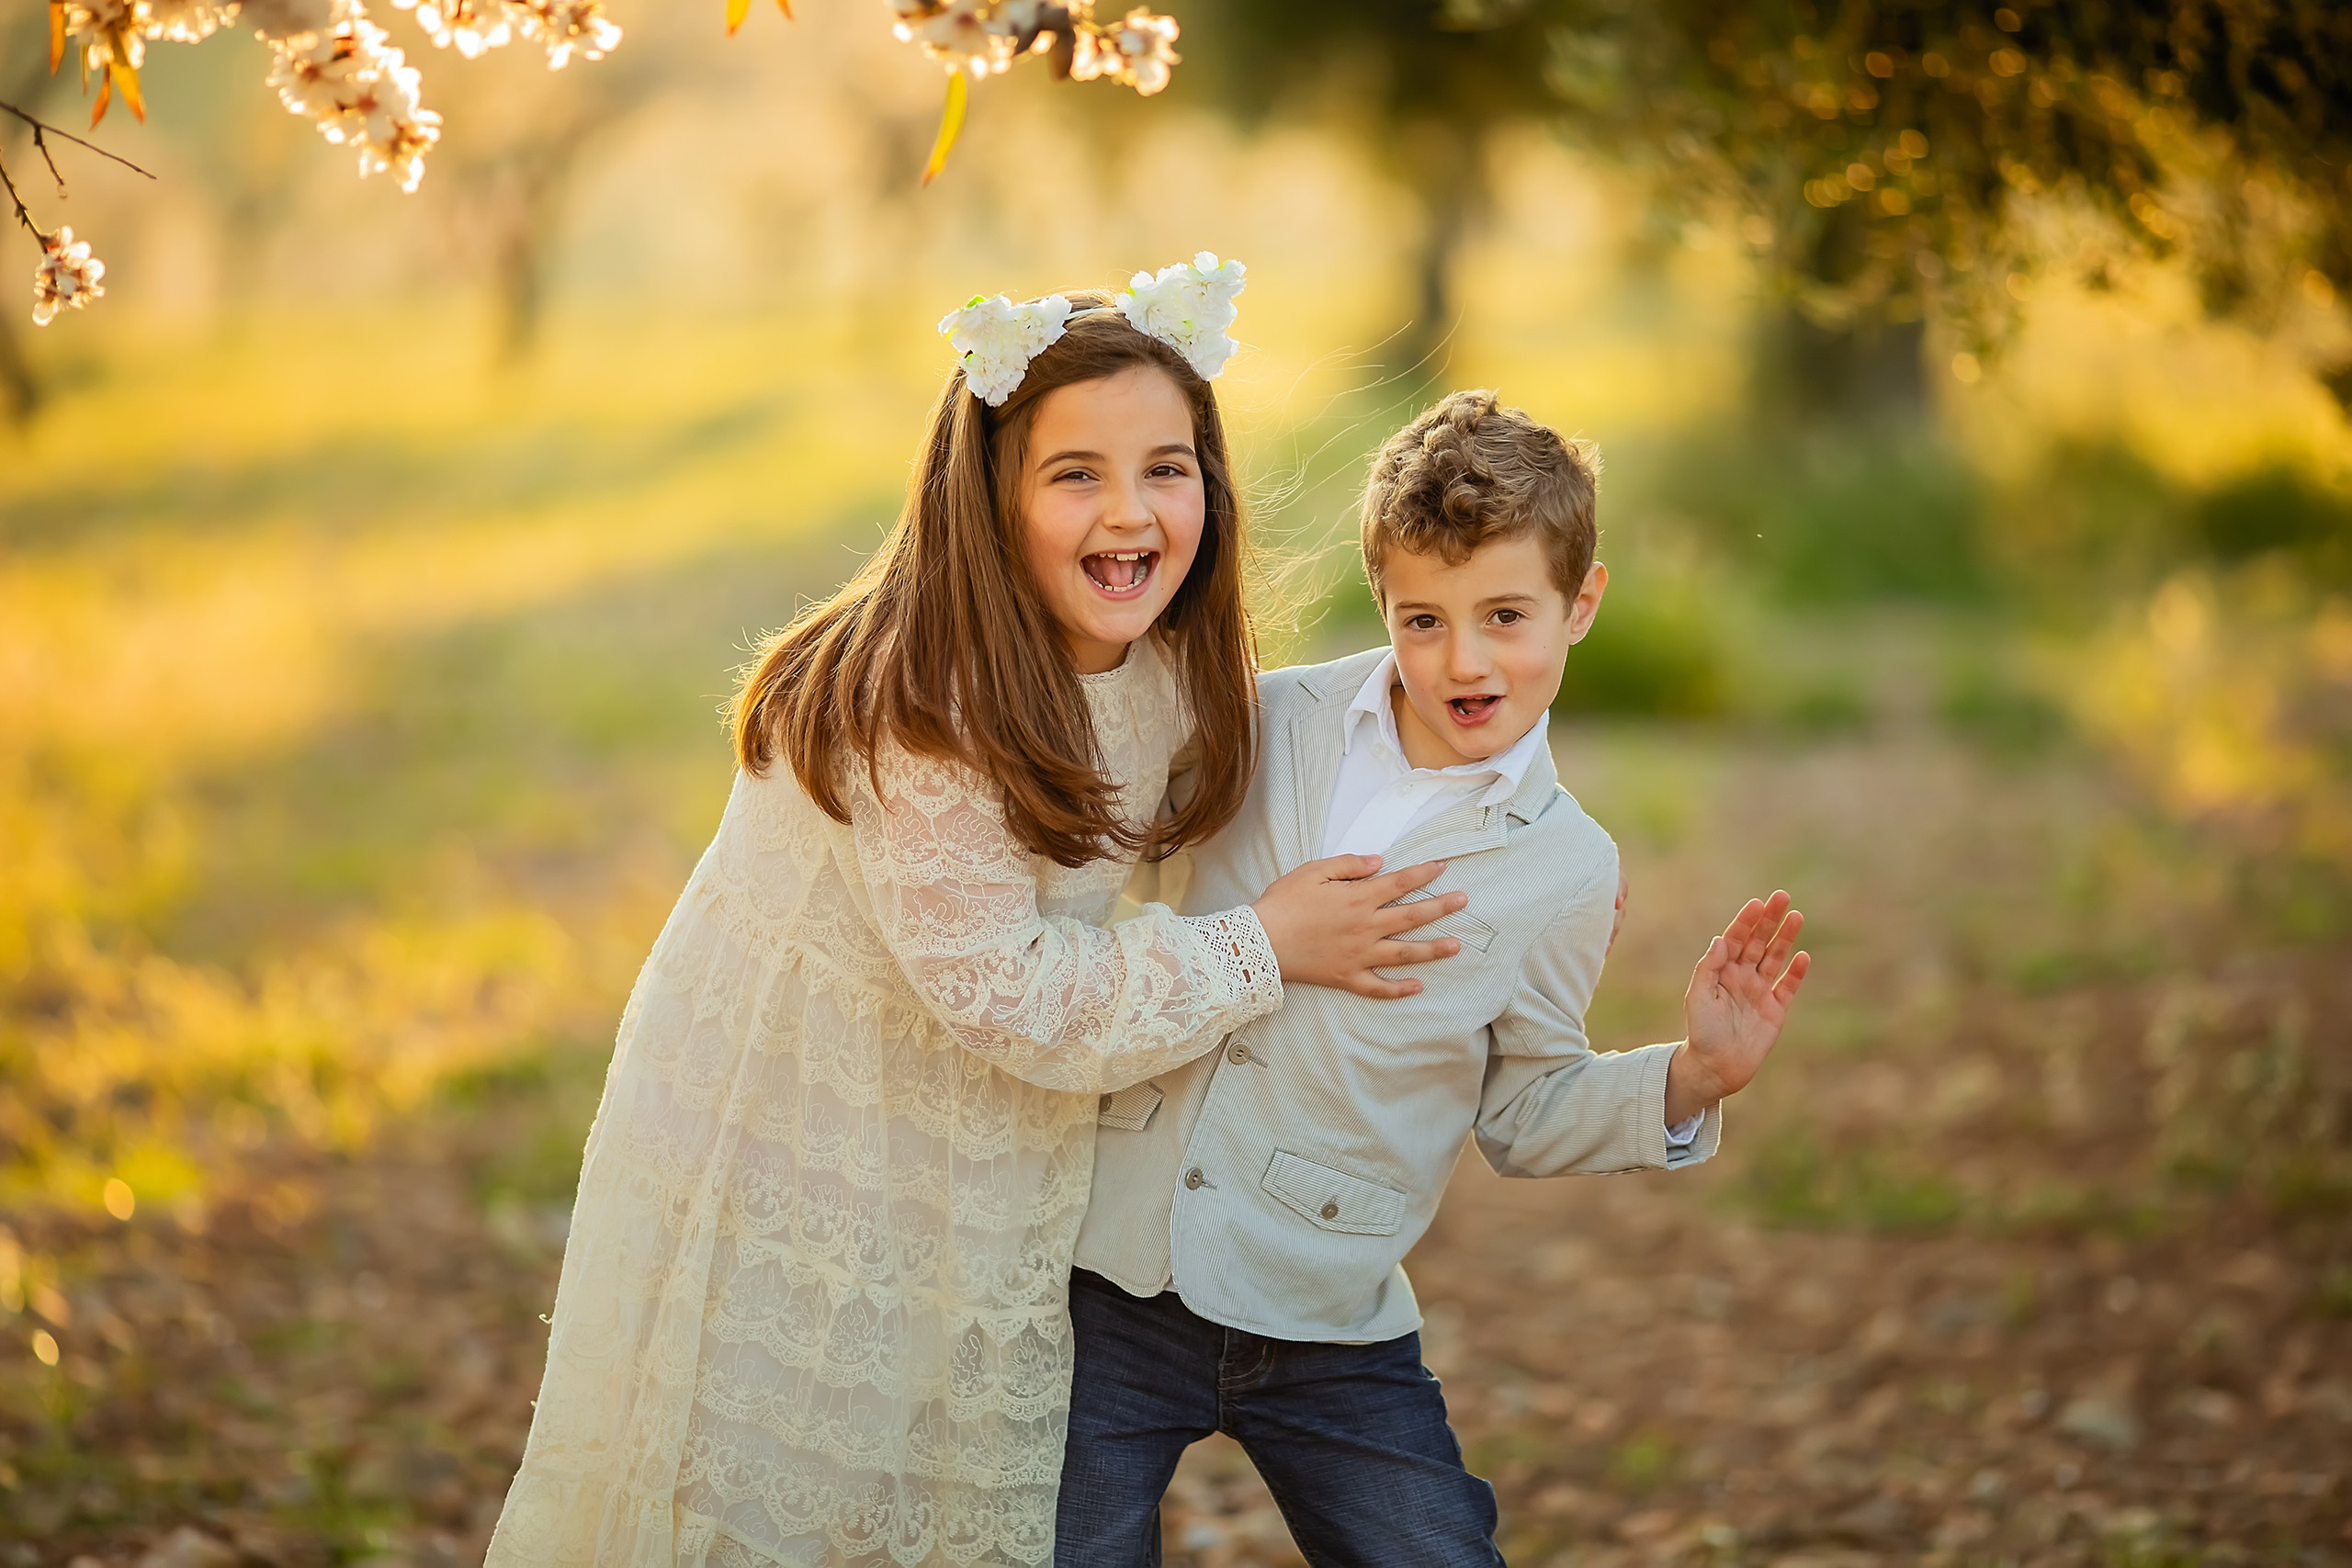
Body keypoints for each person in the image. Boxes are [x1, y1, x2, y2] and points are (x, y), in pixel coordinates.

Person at [485, 259, 1473, 1568]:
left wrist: (1506, 830)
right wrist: (1263, 946)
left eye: (1166, 467)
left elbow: (1316, 748)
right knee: (795, 1467)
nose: (1130, 512)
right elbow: (1010, 995)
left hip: (977, 1121)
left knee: (943, 1477)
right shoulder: (923, 703)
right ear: (990, 494)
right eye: (1075, 474)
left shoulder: (1163, 656)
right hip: (808, 1126)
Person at [1059, 389, 1814, 1566]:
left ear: (1581, 605)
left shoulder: (1566, 869)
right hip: (1118, 1271)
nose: (1463, 661)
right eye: (1423, 620)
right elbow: (1109, 855)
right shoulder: (1265, 717)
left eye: (1505, 615)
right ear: (1383, 604)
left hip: (1329, 1308)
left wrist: (1690, 1078)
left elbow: (1525, 1107)